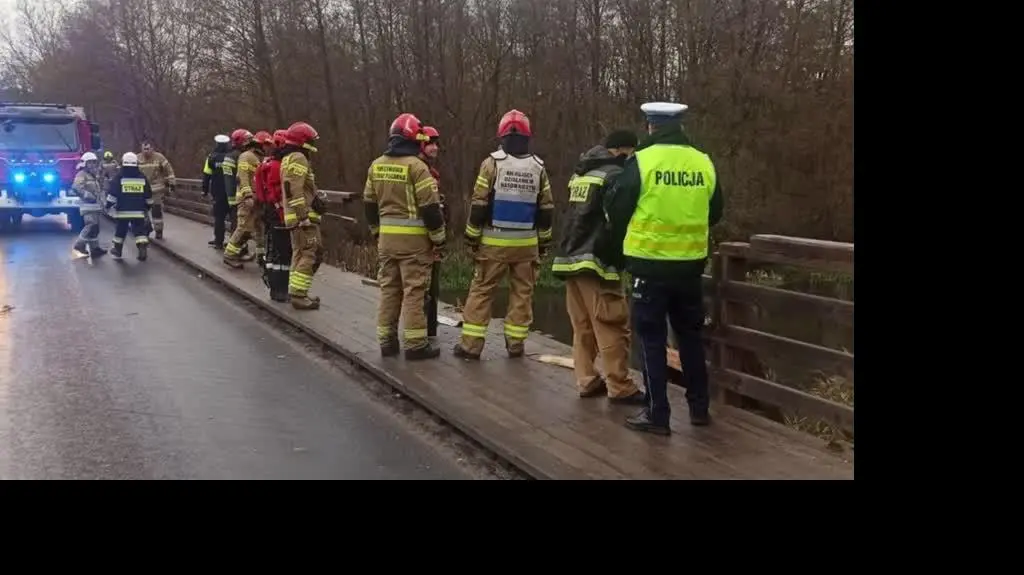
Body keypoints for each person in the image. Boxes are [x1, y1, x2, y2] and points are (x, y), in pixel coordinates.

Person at [604, 101, 725, 435]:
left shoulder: (641, 162)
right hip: (689, 267)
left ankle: (658, 415)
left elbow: (617, 210)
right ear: (681, 126)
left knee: (651, 339)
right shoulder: (704, 162)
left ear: (650, 126)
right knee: (690, 337)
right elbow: (715, 213)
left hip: (650, 267)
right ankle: (700, 409)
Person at [551, 130, 645, 404]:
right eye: (631, 153)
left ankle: (587, 380)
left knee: (582, 326)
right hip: (597, 261)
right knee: (611, 323)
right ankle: (620, 385)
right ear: (621, 151)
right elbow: (615, 220)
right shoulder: (614, 175)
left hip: (570, 258)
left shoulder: (581, 172)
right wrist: (620, 256)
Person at [453, 109, 554, 360]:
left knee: (482, 291)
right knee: (522, 293)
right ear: (528, 136)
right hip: (527, 245)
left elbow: (479, 205)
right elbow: (546, 209)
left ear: (501, 135)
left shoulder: (492, 164)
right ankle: (516, 345)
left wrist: (471, 238)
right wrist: (544, 242)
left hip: (493, 244)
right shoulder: (538, 167)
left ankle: (471, 346)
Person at [363, 113, 446, 359]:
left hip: (386, 241)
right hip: (414, 244)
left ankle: (387, 342)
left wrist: (376, 231)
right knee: (414, 291)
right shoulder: (418, 168)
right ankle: (415, 345)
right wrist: (439, 238)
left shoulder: (376, 165)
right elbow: (431, 208)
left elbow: (369, 203)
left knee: (389, 289)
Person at [280, 121, 326, 310]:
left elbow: (296, 187)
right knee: (311, 252)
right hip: (302, 217)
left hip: (294, 215)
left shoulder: (288, 158)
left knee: (300, 253)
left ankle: (297, 291)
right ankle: (299, 295)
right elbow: (293, 188)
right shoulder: (299, 157)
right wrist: (303, 215)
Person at [255, 129, 291, 302]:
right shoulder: (277, 166)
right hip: (278, 212)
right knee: (283, 253)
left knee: (274, 250)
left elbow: (262, 191)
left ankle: (273, 285)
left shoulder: (266, 164)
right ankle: (279, 290)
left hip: (269, 210)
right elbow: (276, 192)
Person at [223, 129, 266, 268]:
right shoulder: (246, 156)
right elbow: (243, 177)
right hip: (247, 198)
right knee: (243, 229)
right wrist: (247, 195)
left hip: (257, 199)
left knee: (259, 227)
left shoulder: (256, 157)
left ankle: (261, 256)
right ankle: (230, 255)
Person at [419, 125, 445, 336]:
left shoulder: (430, 171)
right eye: (430, 144)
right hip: (423, 238)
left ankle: (428, 328)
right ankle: (424, 331)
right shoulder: (421, 171)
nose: (435, 148)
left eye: (436, 144)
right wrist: (437, 238)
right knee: (424, 288)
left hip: (427, 237)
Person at [105, 152, 153, 261]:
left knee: (120, 231)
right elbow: (148, 194)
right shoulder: (142, 177)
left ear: (123, 163)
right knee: (140, 231)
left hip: (123, 212)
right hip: (139, 211)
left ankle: (117, 250)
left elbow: (113, 194)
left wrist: (108, 205)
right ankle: (142, 249)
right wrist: (148, 206)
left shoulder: (119, 177)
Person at [71, 151, 108, 259]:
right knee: (90, 225)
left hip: (95, 206)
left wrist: (102, 201)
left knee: (95, 228)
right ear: (84, 163)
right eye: (90, 162)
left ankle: (95, 248)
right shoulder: (81, 174)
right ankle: (79, 245)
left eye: (94, 162)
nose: (92, 165)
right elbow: (76, 187)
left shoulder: (93, 174)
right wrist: (87, 195)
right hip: (87, 205)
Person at [137, 139, 176, 239]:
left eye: (148, 149)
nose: (146, 151)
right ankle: (146, 227)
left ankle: (159, 231)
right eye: (144, 149)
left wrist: (172, 183)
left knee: (156, 211)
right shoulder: (137, 158)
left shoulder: (159, 157)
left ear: (152, 149)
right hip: (142, 190)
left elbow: (169, 169)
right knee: (142, 211)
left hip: (156, 190)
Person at [201, 134, 232, 250]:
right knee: (234, 218)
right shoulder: (232, 156)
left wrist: (204, 190)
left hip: (217, 192)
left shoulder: (211, 157)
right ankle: (235, 244)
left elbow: (206, 175)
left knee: (219, 218)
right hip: (232, 191)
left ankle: (218, 241)